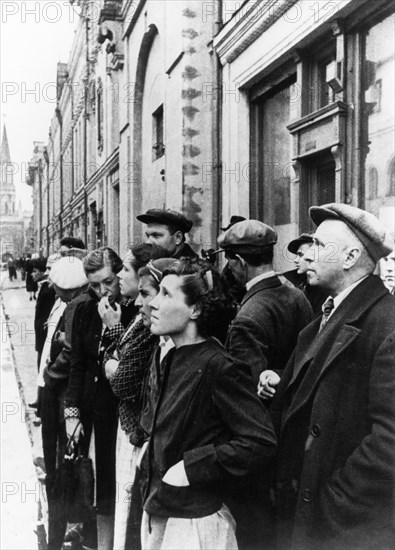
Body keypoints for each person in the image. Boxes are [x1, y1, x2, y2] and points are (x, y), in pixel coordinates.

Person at [270, 203, 395, 550]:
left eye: (321, 245)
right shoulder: (324, 318)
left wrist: (332, 505)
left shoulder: (386, 325)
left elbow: (390, 441)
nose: (307, 254)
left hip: (340, 528)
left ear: (351, 256)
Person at [138, 258, 277, 550]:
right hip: (164, 511)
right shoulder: (174, 356)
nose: (153, 303)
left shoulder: (219, 366)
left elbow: (259, 442)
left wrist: (192, 467)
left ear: (196, 309)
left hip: (196, 527)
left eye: (166, 294)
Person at [217, 219, 313, 550]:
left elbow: (244, 399)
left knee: (257, 531)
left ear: (238, 262)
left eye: (228, 261)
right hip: (294, 436)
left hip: (262, 451)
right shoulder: (296, 295)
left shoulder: (249, 314)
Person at [64, 247, 136, 550]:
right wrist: (72, 414)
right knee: (97, 486)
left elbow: (134, 362)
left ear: (118, 273)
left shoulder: (133, 309)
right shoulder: (84, 309)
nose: (102, 291)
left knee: (117, 487)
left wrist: (113, 326)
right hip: (93, 412)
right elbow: (77, 364)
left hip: (120, 415)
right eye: (93, 285)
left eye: (107, 282)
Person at [104, 252, 174, 550]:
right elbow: (106, 355)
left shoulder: (148, 324)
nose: (120, 276)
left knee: (138, 518)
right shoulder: (135, 313)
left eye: (125, 270)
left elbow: (122, 380)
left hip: (140, 434)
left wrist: (113, 358)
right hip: (135, 429)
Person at [39, 257, 92, 550]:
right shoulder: (78, 302)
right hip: (66, 396)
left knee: (62, 466)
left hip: (63, 397)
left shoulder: (74, 306)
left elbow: (70, 352)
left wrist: (50, 373)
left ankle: (61, 531)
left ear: (63, 289)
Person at [283, 233, 327, 315]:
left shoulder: (323, 287)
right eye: (297, 255)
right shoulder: (288, 279)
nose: (295, 260)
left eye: (300, 255)